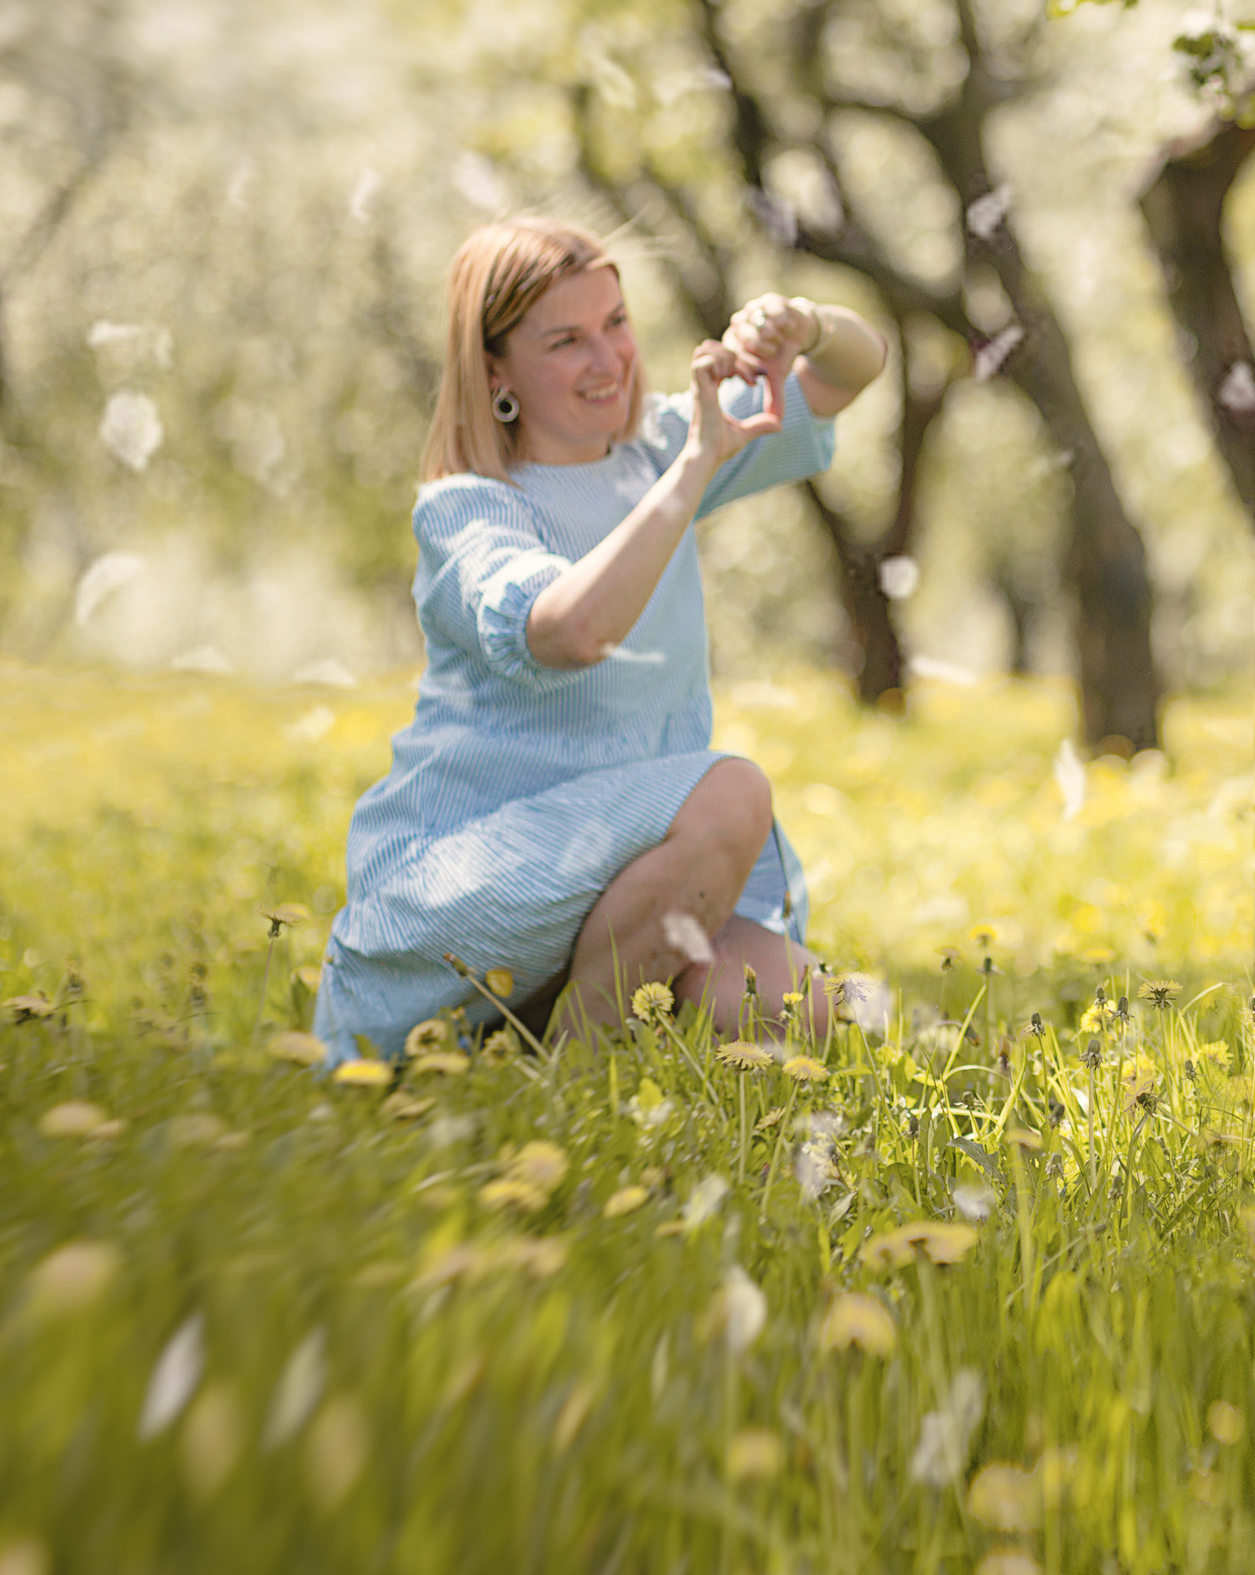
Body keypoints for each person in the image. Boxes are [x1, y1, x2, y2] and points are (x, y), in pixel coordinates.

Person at [313, 217, 887, 1065]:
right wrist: (695, 468)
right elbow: (572, 630)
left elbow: (853, 370)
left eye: (615, 322)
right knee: (731, 791)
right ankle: (575, 1090)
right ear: (495, 369)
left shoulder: (656, 443)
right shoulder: (470, 506)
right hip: (469, 885)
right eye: (567, 340)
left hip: (619, 876)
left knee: (802, 1007)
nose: (610, 358)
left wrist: (805, 324)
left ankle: (553, 1030)